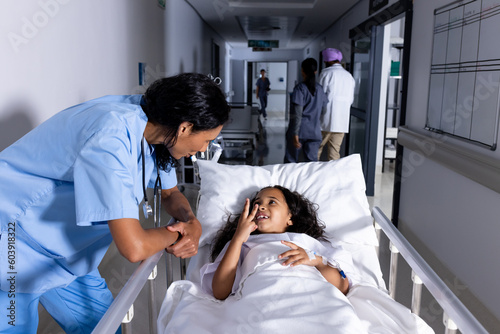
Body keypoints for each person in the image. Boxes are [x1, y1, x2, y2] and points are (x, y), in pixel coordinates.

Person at [0, 73, 230, 333]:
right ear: (185, 127)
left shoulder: (156, 128)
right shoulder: (112, 135)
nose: (203, 149)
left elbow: (170, 194)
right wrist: (179, 236)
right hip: (14, 247)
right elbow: (134, 247)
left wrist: (191, 221)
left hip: (65, 255)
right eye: (207, 140)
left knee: (105, 326)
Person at [203, 186, 351, 301]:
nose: (260, 207)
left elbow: (342, 288)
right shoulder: (242, 244)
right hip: (262, 299)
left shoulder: (307, 243)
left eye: (272, 202)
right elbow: (220, 292)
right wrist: (237, 238)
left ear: (290, 218)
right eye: (257, 203)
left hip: (312, 295)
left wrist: (316, 260)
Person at [284, 58, 328, 163]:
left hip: (299, 132)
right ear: (315, 71)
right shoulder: (320, 89)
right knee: (312, 164)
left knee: (291, 162)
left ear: (302, 70)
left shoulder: (300, 89)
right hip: (314, 132)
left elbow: (297, 114)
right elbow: (323, 109)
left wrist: (295, 134)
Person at [318, 48, 355, 160]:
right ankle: (334, 177)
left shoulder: (326, 73)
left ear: (328, 61)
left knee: (316, 150)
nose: (324, 63)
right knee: (334, 154)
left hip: (325, 120)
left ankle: (313, 176)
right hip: (341, 122)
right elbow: (350, 99)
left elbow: (320, 97)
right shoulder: (349, 76)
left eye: (325, 61)